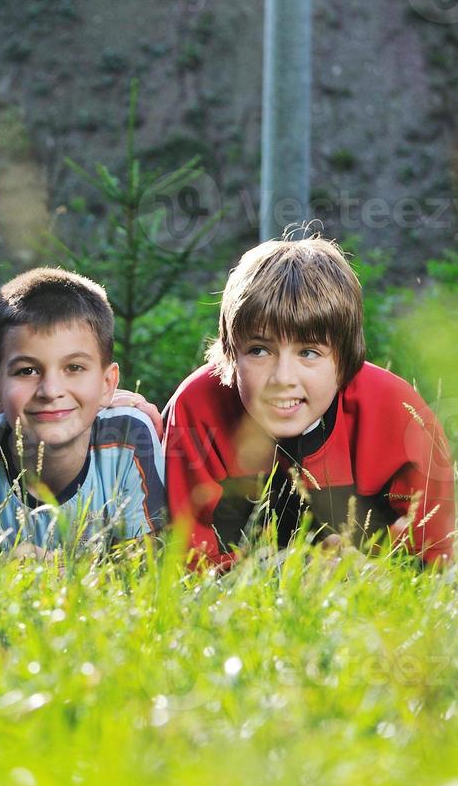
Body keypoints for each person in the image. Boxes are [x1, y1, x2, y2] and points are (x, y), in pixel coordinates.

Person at [163, 235, 454, 567]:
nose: (283, 377)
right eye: (259, 350)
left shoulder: (398, 410)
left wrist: (373, 572)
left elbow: (438, 558)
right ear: (230, 353)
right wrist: (279, 571)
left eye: (309, 352)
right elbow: (185, 566)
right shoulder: (195, 408)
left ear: (344, 361)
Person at [0, 269, 165, 554]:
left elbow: (146, 572)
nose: (51, 390)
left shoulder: (128, 438)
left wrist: (50, 571)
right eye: (27, 371)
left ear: (107, 384)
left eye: (74, 368)